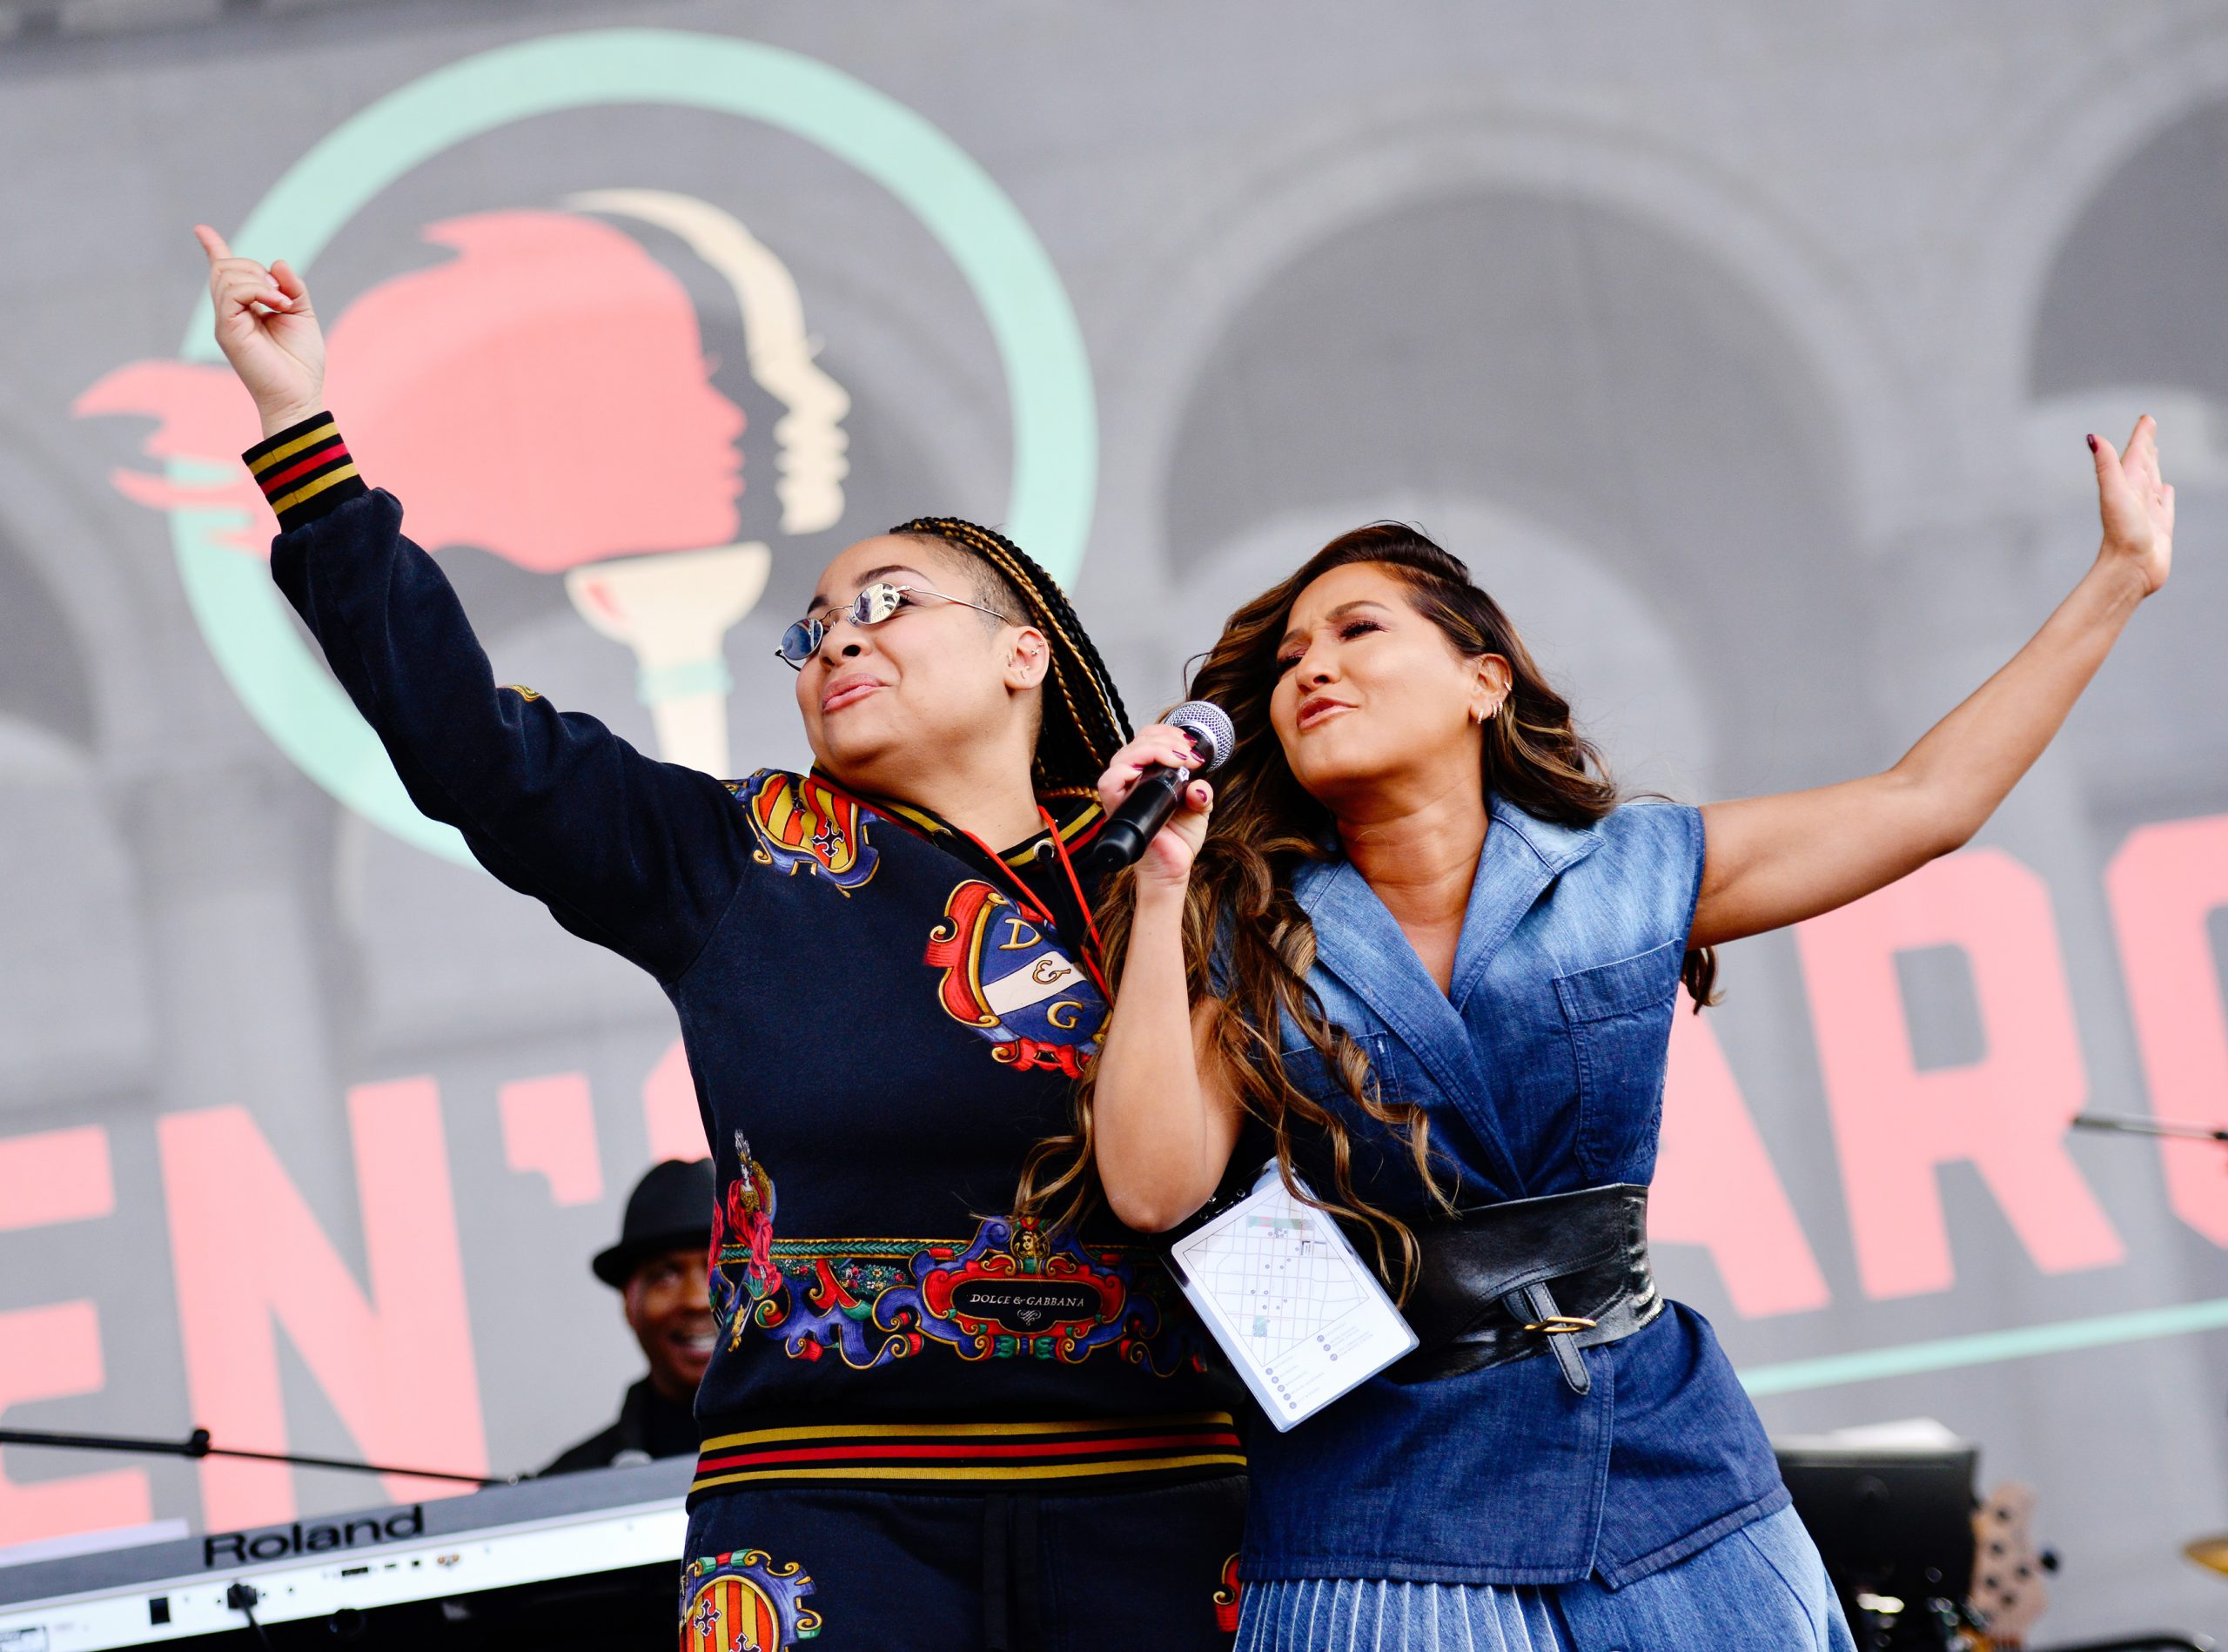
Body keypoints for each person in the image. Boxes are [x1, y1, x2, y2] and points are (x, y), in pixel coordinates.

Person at [192, 228, 1245, 1649]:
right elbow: (469, 745)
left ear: (1025, 650)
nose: (836, 641)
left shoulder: (1173, 870)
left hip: (1159, 1509)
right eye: (811, 631)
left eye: (887, 603)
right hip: (830, 1520)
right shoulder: (740, 854)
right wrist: (296, 423)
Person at [1070, 420, 2173, 1649]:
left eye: (1357, 630)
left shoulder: (1627, 871)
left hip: (1664, 1469)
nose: (1309, 669)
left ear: (1485, 681)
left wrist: (2118, 575)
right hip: (1381, 1503)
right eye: (1287, 659)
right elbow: (1153, 1186)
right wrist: (1163, 891)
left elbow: (1927, 799)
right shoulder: (1247, 924)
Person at [541, 1158, 718, 1477]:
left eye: (721, 1268)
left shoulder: (819, 1451)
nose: (696, 1300)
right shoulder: (569, 1488)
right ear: (629, 1301)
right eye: (665, 1275)